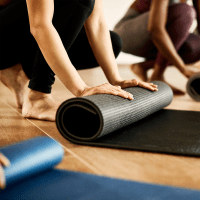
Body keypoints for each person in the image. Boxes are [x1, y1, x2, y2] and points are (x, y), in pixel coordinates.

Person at [0, 0, 158, 121]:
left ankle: (15, 68)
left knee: (114, 42)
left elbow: (96, 24)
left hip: (21, 33)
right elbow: (40, 25)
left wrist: (116, 80)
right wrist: (81, 89)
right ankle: (37, 97)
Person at [114, 0, 200, 94]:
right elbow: (156, 29)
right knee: (186, 11)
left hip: (153, 36)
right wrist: (183, 69)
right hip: (127, 34)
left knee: (197, 47)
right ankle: (157, 76)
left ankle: (142, 66)